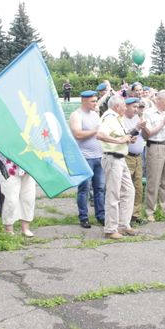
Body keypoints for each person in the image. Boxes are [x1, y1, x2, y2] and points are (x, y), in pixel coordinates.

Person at [98, 95, 137, 239]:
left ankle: (123, 224)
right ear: (116, 107)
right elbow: (100, 134)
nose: (125, 108)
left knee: (129, 190)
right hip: (112, 158)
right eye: (124, 106)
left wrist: (128, 139)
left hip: (120, 158)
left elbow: (120, 137)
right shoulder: (109, 117)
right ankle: (110, 229)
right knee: (113, 194)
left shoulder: (118, 119)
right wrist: (119, 140)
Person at [69, 90, 106, 228]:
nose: (96, 103)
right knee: (84, 189)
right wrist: (95, 130)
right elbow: (78, 134)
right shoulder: (76, 115)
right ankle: (83, 217)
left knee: (100, 188)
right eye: (93, 101)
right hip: (85, 157)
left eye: (96, 101)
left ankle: (101, 215)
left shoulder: (95, 114)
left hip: (99, 156)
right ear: (84, 101)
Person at [142, 90, 165, 221]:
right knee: (154, 180)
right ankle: (150, 211)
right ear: (159, 100)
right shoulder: (148, 113)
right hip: (154, 145)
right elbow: (148, 133)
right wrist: (161, 124)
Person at [121, 97, 146, 223]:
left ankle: (135, 214)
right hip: (127, 156)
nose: (136, 109)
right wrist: (136, 129)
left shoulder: (138, 118)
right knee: (126, 188)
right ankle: (124, 215)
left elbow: (144, 136)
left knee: (138, 187)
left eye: (137, 107)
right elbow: (124, 136)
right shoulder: (121, 119)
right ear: (126, 107)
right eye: (134, 107)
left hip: (138, 157)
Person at [0, 158, 36, 237]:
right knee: (10, 200)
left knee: (29, 198)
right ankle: (9, 229)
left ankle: (25, 228)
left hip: (28, 165)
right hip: (9, 167)